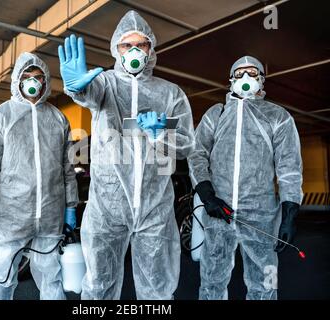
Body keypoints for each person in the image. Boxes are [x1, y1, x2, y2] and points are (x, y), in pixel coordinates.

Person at [58, 10, 195, 300]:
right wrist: (76, 88)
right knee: (98, 284)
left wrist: (161, 134)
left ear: (151, 49)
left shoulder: (171, 94)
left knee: (157, 289)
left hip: (155, 206)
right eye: (125, 45)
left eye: (141, 45)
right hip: (107, 207)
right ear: (116, 50)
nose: (133, 51)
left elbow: (186, 145)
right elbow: (88, 95)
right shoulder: (104, 83)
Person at [0, 52, 79, 300]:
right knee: (2, 276)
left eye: (38, 77)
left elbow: (67, 169)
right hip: (12, 218)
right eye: (26, 76)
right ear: (17, 80)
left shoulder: (58, 118)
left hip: (50, 217)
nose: (32, 82)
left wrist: (70, 207)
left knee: (52, 280)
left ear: (45, 82)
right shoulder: (1, 117)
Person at [188, 55, 303, 300]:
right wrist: (208, 195)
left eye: (252, 72)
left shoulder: (278, 117)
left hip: (261, 213)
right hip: (219, 210)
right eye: (240, 73)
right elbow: (197, 154)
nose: (246, 78)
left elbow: (289, 166)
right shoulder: (215, 114)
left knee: (265, 279)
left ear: (262, 80)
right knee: (211, 279)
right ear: (230, 81)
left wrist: (290, 211)